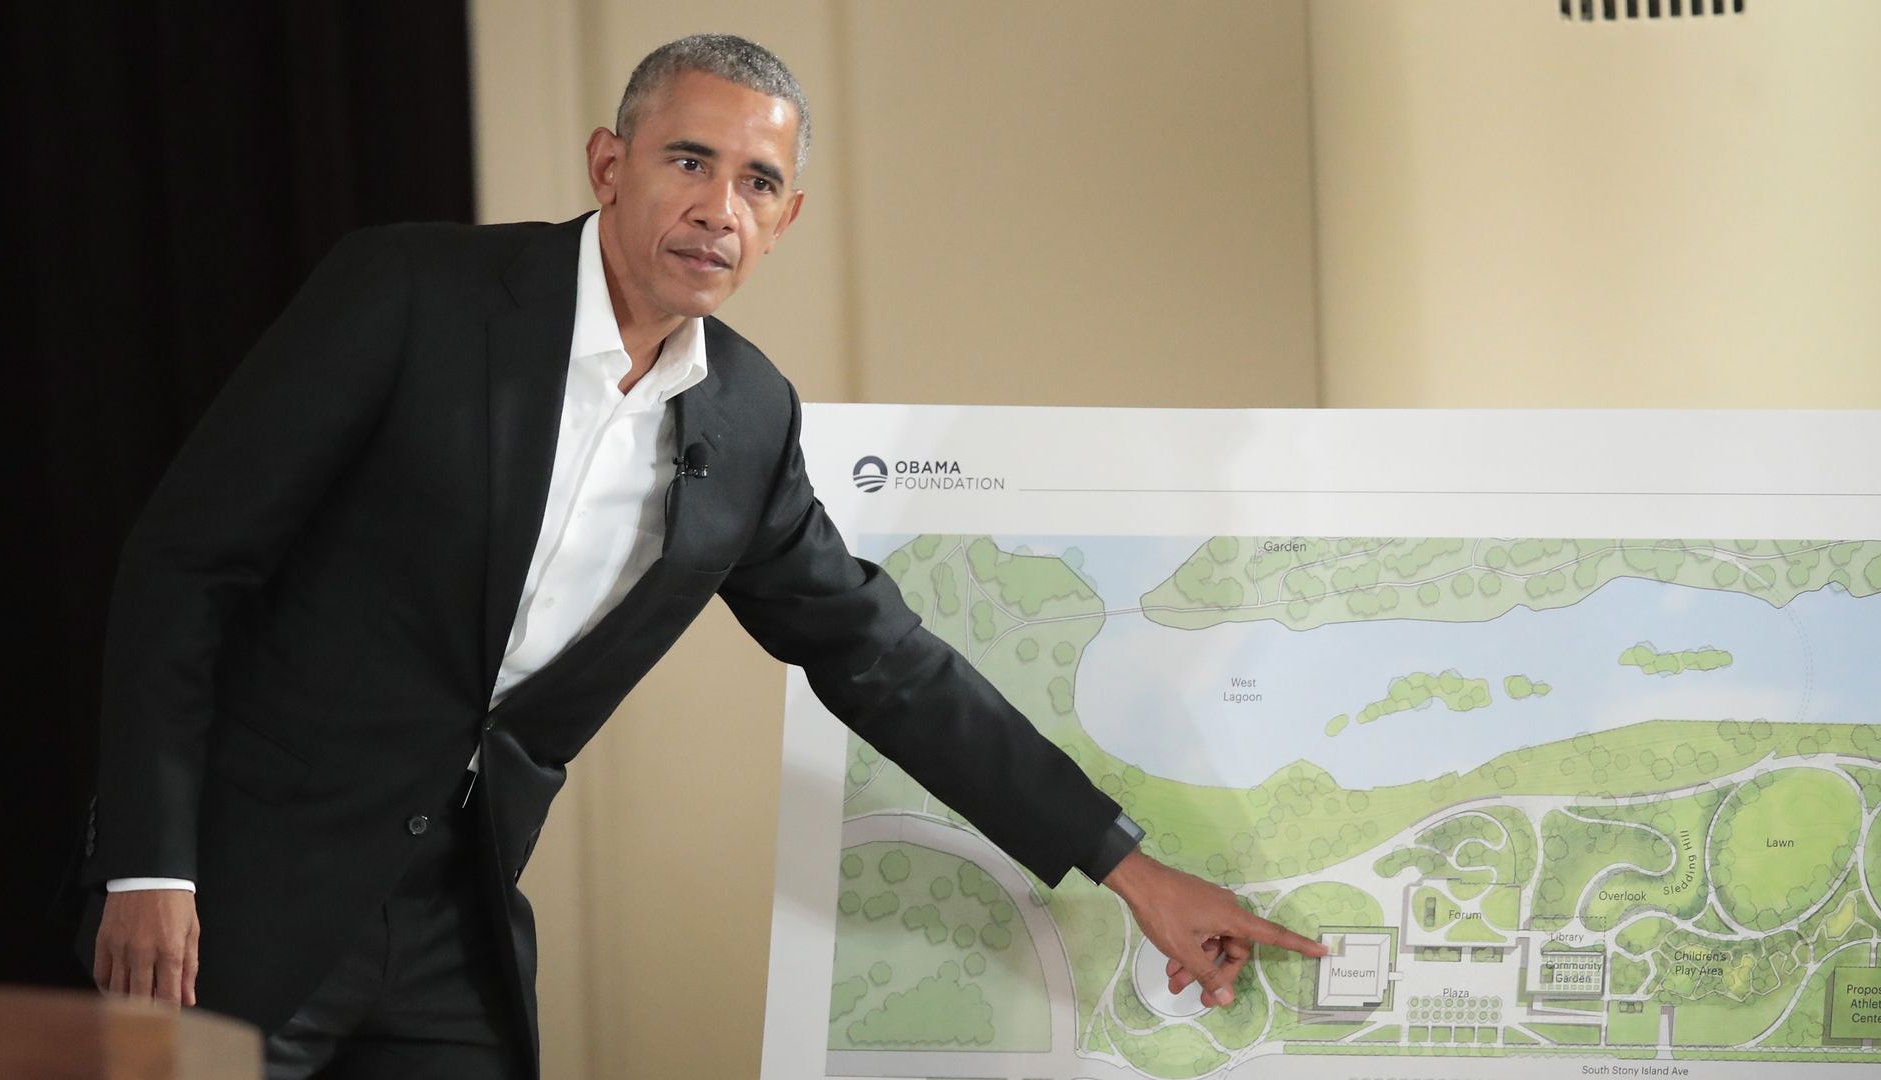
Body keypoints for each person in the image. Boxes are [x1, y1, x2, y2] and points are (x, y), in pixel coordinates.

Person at [78, 33, 1326, 1079]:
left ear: (784, 219)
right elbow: (189, 569)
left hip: (455, 922)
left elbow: (878, 656)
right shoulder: (412, 293)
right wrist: (149, 863)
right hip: (234, 901)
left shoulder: (748, 418)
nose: (717, 208)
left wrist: (1127, 868)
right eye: (689, 160)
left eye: (757, 181)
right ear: (610, 166)